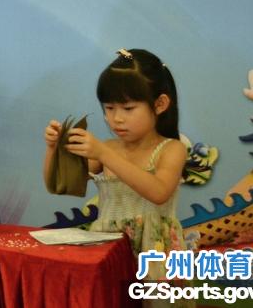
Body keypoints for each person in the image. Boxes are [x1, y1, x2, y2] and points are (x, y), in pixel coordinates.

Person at [43, 48, 189, 285]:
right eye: (109, 108)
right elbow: (62, 184)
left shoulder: (172, 149)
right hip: (108, 250)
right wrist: (53, 148)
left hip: (157, 253)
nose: (116, 118)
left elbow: (159, 192)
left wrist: (104, 154)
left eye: (128, 108)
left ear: (160, 104)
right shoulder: (107, 148)